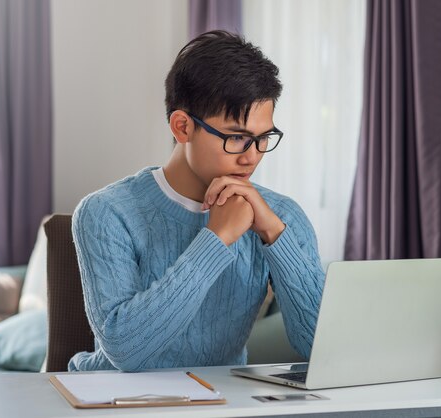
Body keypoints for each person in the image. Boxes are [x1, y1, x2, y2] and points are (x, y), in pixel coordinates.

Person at [69, 30, 325, 372]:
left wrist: (275, 235)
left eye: (263, 138)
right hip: (116, 402)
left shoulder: (280, 216)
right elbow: (127, 351)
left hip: (224, 402)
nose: (252, 157)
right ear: (181, 127)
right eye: (237, 137)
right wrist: (216, 240)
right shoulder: (107, 213)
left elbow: (320, 347)